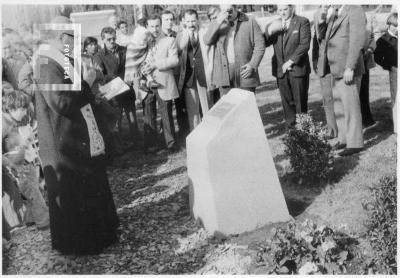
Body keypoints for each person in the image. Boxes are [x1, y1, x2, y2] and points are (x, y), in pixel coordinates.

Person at [33, 16, 119, 255]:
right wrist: (86, 82)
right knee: (75, 194)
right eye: (74, 38)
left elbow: (75, 95)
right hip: (62, 141)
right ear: (62, 37)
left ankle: (100, 235)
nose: (77, 43)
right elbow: (60, 102)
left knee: (89, 187)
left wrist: (91, 91)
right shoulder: (45, 61)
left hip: (73, 136)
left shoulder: (61, 58)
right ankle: (82, 244)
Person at [317, 5, 366, 156]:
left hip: (347, 68)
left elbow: (357, 40)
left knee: (351, 107)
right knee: (339, 107)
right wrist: (323, 18)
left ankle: (355, 143)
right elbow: (322, 38)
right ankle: (344, 139)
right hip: (334, 68)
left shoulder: (354, 9)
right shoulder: (334, 13)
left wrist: (350, 67)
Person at [2, 90, 50, 230]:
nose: (25, 112)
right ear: (11, 108)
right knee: (32, 191)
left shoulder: (10, 121)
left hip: (18, 162)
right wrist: (11, 165)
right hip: (12, 165)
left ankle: (30, 219)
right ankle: (44, 220)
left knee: (30, 189)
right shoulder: (3, 124)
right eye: (22, 109)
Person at [265, 5, 311, 128]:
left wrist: (290, 61)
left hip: (298, 70)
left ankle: (304, 134)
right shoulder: (274, 24)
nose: (282, 13)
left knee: (300, 104)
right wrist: (270, 30)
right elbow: (264, 42)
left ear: (292, 8)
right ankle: (291, 134)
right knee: (287, 105)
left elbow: (304, 45)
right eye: (280, 10)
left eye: (285, 9)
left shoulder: (302, 22)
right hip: (281, 72)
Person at [204, 4, 265, 95]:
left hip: (244, 71)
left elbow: (260, 45)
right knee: (229, 107)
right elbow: (207, 41)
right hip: (224, 73)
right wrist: (217, 22)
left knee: (246, 105)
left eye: (230, 10)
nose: (227, 14)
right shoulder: (218, 23)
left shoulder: (250, 21)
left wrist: (252, 65)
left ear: (236, 8)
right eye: (224, 11)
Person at [93, 26, 138, 149]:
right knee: (116, 121)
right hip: (113, 93)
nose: (112, 41)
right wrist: (116, 81)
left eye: (114, 38)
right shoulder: (99, 56)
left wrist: (129, 77)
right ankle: (119, 147)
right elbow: (100, 75)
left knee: (132, 118)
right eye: (109, 39)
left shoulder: (124, 50)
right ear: (103, 40)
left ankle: (137, 143)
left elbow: (131, 66)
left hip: (127, 90)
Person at [143, 14, 180, 152]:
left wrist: (155, 64)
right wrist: (145, 73)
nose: (155, 29)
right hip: (147, 83)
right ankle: (151, 144)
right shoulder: (143, 42)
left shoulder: (169, 40)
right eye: (151, 26)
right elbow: (136, 60)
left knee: (166, 113)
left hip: (164, 82)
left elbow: (175, 61)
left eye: (157, 25)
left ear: (161, 25)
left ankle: (170, 143)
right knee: (148, 113)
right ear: (147, 27)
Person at [176, 9, 213, 131]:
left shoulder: (203, 32)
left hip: (203, 76)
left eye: (193, 20)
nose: (191, 24)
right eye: (188, 21)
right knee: (193, 112)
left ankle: (210, 133)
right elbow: (178, 51)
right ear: (183, 21)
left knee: (208, 108)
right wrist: (185, 35)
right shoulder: (180, 35)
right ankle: (196, 136)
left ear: (197, 20)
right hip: (189, 79)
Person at [312, 5, 338, 138]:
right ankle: (332, 130)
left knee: (340, 99)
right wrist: (315, 60)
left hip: (339, 63)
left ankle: (344, 130)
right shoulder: (318, 14)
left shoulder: (341, 11)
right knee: (327, 99)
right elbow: (316, 38)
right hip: (324, 64)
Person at [374, 12, 398, 134]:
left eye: (398, 25)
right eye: (394, 25)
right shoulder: (383, 40)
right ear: (389, 25)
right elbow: (377, 57)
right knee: (396, 98)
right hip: (395, 71)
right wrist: (388, 66)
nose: (397, 28)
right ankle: (397, 127)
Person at [125, 25, 161, 91]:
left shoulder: (145, 44)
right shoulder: (131, 46)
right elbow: (131, 59)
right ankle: (144, 84)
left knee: (145, 64)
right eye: (143, 39)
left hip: (144, 64)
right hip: (134, 70)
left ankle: (145, 83)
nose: (144, 42)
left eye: (145, 40)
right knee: (138, 71)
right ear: (137, 37)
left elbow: (146, 52)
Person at [360, 18, 377, 128]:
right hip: (354, 66)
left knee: (364, 92)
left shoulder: (368, 32)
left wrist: (369, 51)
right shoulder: (350, 32)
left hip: (365, 67)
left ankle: (367, 119)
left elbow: (373, 43)